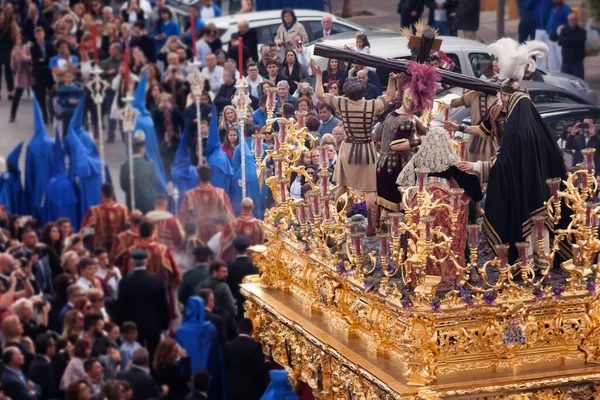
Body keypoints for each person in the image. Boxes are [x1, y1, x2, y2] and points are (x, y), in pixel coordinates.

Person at [312, 60, 399, 232]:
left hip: (348, 149)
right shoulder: (371, 105)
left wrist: (319, 75)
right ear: (363, 91)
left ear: (346, 92)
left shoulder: (342, 103)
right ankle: (371, 228)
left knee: (343, 185)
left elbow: (320, 95)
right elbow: (390, 96)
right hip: (367, 149)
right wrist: (391, 80)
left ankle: (335, 221)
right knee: (371, 189)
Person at [397, 127, 482, 286]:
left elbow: (402, 180)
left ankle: (421, 276)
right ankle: (451, 274)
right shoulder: (449, 159)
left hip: (421, 202)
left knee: (423, 237)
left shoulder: (418, 158)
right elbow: (473, 188)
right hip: (443, 203)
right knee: (448, 236)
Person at [116, 250, 169, 356]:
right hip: (154, 324)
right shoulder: (157, 280)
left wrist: (122, 327)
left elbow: (121, 306)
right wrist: (164, 325)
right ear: (146, 262)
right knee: (154, 354)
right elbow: (163, 304)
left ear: (133, 262)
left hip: (133, 326)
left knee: (135, 354)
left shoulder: (125, 282)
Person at [125, 222, 181, 323]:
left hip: (137, 290)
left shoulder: (132, 249)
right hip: (158, 289)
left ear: (139, 233)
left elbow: (125, 271)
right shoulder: (162, 249)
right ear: (152, 232)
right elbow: (174, 272)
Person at [175, 296, 225, 398]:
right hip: (207, 379)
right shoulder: (210, 329)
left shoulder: (180, 332)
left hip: (186, 382)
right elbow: (217, 358)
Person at [179, 165, 236, 243]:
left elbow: (183, 217)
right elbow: (230, 216)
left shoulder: (190, 195)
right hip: (217, 238)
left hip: (198, 238)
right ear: (210, 176)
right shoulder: (220, 193)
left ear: (198, 177)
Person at [81, 183, 130, 252]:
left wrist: (96, 231)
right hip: (118, 248)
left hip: (100, 251)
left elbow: (85, 231)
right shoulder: (123, 209)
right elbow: (130, 229)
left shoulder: (94, 210)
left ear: (101, 194)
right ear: (114, 194)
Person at [224, 318, 266, 400]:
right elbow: (261, 369)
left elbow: (225, 367)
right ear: (252, 331)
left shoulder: (228, 346)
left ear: (238, 330)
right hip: (251, 392)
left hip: (233, 390)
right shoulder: (255, 347)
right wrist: (268, 361)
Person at [195, 261, 237, 339]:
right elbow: (232, 307)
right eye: (223, 272)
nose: (226, 274)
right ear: (214, 272)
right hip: (224, 326)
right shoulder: (223, 287)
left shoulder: (201, 285)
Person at [119, 131, 158, 214]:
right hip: (147, 205)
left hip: (132, 203)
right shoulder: (149, 165)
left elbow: (123, 186)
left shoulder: (124, 166)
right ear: (141, 149)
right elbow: (154, 182)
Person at [225, 236, 258, 317]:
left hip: (237, 304)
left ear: (235, 249)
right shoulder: (255, 265)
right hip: (254, 304)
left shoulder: (230, 267)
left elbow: (228, 286)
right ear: (247, 248)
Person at [30, 27, 55, 124]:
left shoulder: (49, 45)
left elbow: (52, 57)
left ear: (44, 34)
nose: (40, 36)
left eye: (41, 33)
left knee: (52, 94)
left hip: (49, 72)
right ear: (35, 36)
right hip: (40, 74)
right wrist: (43, 60)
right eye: (37, 34)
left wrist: (43, 60)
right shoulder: (33, 47)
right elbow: (35, 61)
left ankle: (52, 114)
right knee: (42, 96)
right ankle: (45, 115)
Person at [28, 333, 58, 400]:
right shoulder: (44, 366)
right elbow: (51, 391)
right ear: (48, 349)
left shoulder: (36, 360)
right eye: (54, 344)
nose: (55, 346)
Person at [9, 35, 32, 123]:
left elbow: (30, 59)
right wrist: (14, 58)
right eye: (16, 39)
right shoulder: (14, 50)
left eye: (19, 39)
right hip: (21, 74)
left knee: (38, 96)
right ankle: (12, 115)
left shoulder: (27, 47)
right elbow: (13, 68)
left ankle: (44, 116)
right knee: (17, 97)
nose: (18, 41)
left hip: (30, 73)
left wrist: (21, 56)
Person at [545, 0, 571, 72]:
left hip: (560, 41)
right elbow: (550, 21)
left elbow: (571, 23)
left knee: (561, 60)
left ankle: (564, 78)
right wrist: (548, 30)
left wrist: (564, 29)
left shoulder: (565, 9)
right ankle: (554, 79)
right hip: (551, 39)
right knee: (552, 61)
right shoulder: (552, 9)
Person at [559, 12, 586, 79]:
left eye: (574, 20)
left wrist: (566, 39)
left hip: (577, 62)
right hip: (566, 62)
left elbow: (578, 41)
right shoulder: (564, 30)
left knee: (580, 83)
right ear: (568, 21)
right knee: (565, 82)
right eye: (570, 20)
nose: (572, 21)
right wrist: (571, 40)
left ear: (577, 20)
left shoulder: (582, 31)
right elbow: (560, 42)